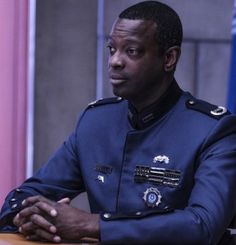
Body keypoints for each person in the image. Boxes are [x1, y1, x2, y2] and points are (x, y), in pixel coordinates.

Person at [1, 1, 236, 244]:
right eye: (112, 49)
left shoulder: (213, 130)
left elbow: (203, 225)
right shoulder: (96, 122)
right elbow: (24, 196)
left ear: (169, 58)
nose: (115, 61)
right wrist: (32, 217)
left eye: (132, 51)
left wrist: (92, 225)